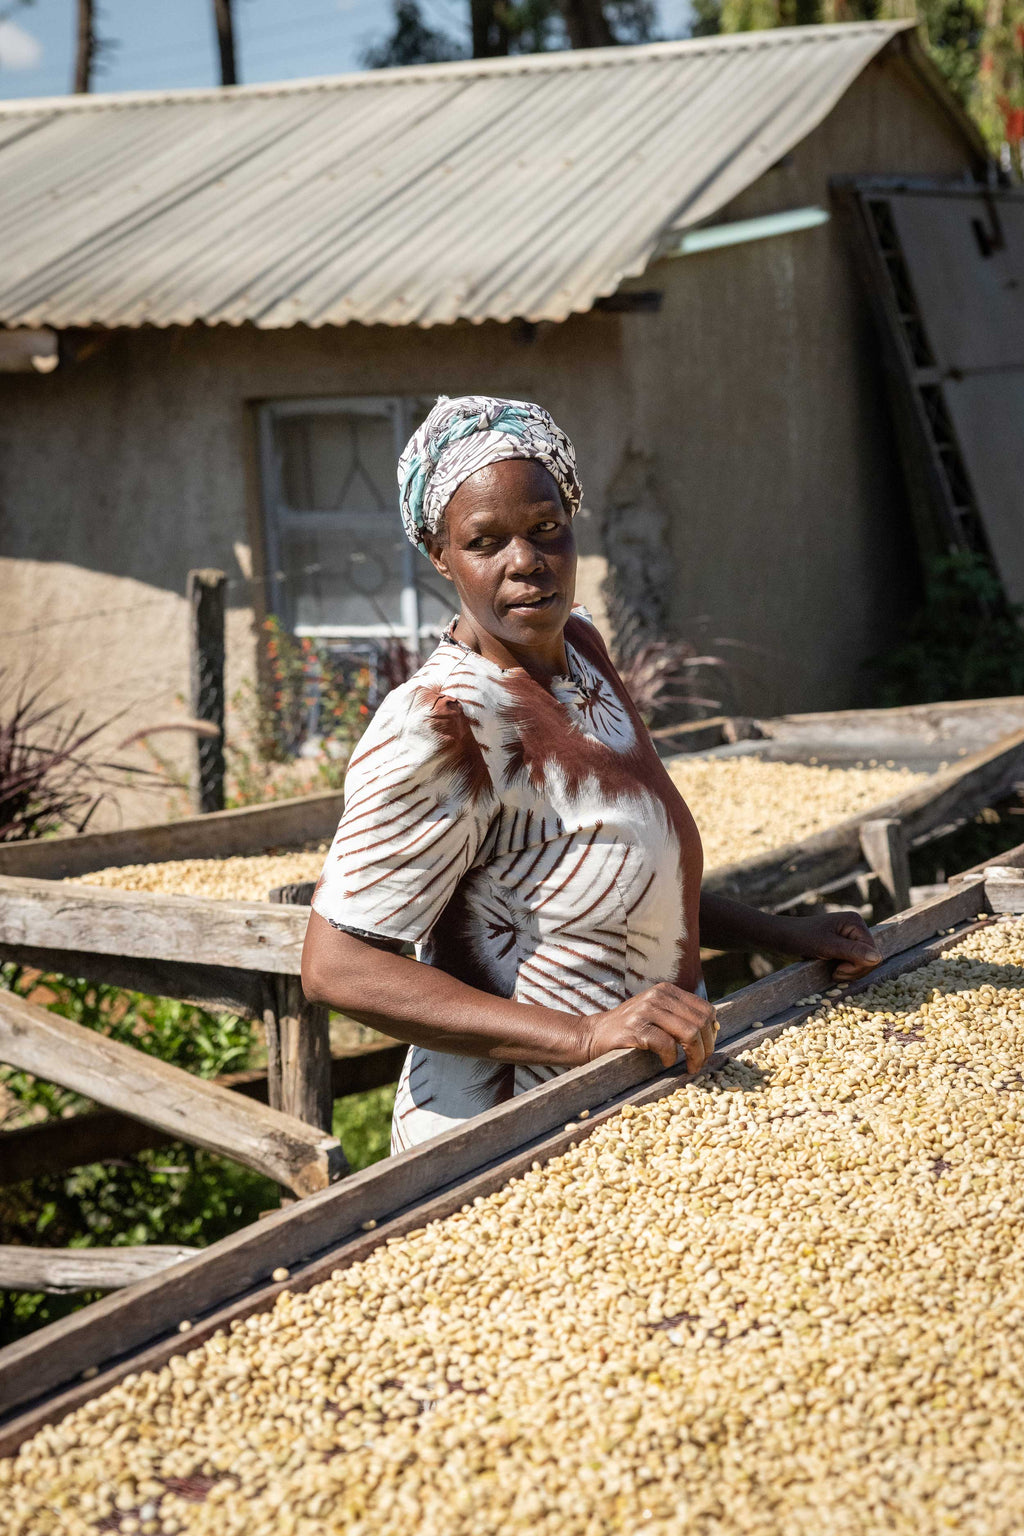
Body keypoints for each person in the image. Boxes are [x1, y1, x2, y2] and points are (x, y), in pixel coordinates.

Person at [302, 395, 882, 1152]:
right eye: (485, 541)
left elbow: (623, 874)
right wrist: (583, 1035)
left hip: (630, 1104)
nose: (525, 561)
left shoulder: (581, 655)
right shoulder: (444, 720)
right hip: (505, 1135)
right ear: (441, 555)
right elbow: (337, 969)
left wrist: (785, 933)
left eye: (546, 529)